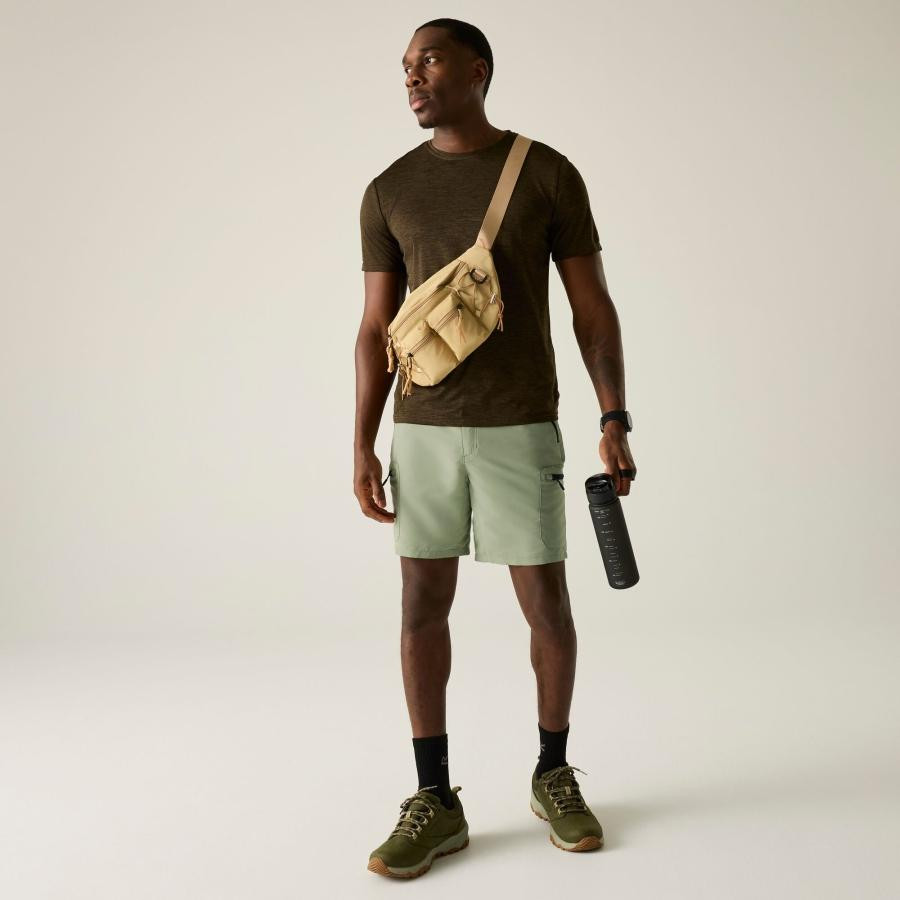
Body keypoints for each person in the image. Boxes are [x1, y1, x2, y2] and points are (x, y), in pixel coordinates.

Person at [354, 17, 638, 879]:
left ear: (477, 69)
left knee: (546, 605)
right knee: (419, 607)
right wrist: (361, 441)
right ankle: (434, 798)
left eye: (430, 60)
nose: (412, 76)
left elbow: (592, 305)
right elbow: (373, 327)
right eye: (406, 66)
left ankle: (553, 773)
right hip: (422, 429)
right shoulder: (388, 189)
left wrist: (615, 416)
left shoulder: (546, 172)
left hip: (521, 422)